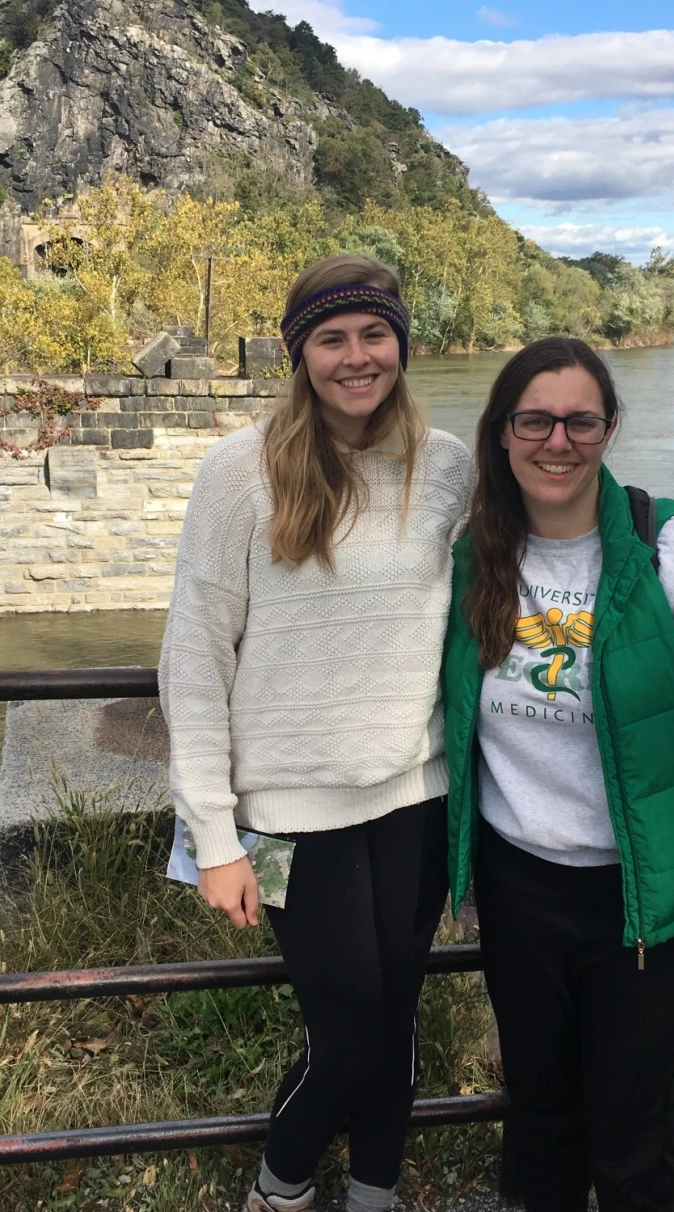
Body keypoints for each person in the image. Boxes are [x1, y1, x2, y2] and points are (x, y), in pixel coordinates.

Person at [158, 254, 472, 1212]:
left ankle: (373, 1196)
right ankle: (280, 1190)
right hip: (294, 816)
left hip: (416, 796)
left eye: (375, 334)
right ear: (301, 354)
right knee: (347, 1041)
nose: (356, 357)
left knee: (398, 1022)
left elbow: (540, 540)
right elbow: (196, 662)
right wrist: (214, 836)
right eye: (331, 338)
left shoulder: (449, 466)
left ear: (402, 346)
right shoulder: (240, 475)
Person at [441, 337, 674, 1211]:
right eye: (535, 420)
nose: (558, 441)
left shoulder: (671, 549)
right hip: (519, 894)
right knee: (542, 1123)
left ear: (610, 427)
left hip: (643, 904)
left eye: (580, 420)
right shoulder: (474, 553)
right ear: (503, 432)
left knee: (635, 1148)